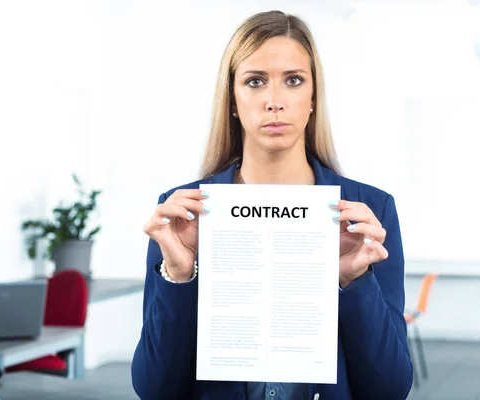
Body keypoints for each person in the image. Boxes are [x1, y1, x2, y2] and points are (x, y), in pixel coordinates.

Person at [131, 10, 413, 400]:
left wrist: (354, 281)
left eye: (293, 81)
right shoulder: (183, 214)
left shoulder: (371, 210)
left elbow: (390, 390)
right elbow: (155, 390)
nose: (274, 101)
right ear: (232, 99)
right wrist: (179, 275)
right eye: (255, 81)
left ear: (314, 96)